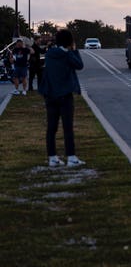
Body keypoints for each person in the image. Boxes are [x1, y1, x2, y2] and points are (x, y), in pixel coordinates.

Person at [38, 29, 85, 168]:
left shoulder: (50, 54)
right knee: (67, 127)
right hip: (65, 95)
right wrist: (74, 50)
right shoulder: (68, 55)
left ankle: (52, 157)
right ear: (70, 41)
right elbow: (79, 65)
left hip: (50, 95)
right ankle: (71, 157)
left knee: (51, 128)